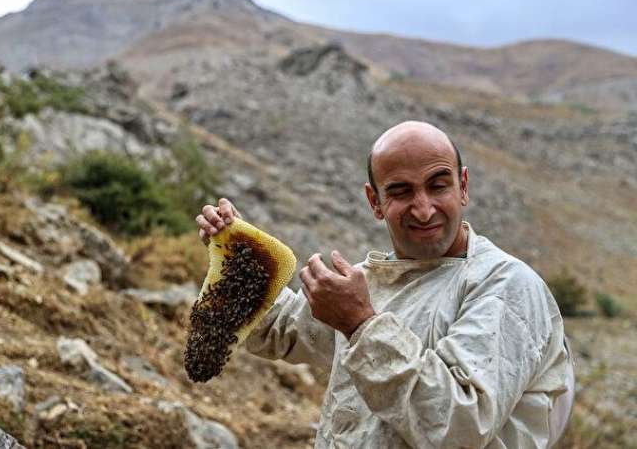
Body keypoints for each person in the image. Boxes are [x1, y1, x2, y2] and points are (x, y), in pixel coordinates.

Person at [196, 121, 574, 448]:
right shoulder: (371, 282)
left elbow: (458, 424)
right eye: (401, 191)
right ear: (374, 201)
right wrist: (240, 257)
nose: (423, 209)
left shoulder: (506, 285)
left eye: (438, 186)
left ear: (463, 186)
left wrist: (360, 324)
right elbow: (283, 331)